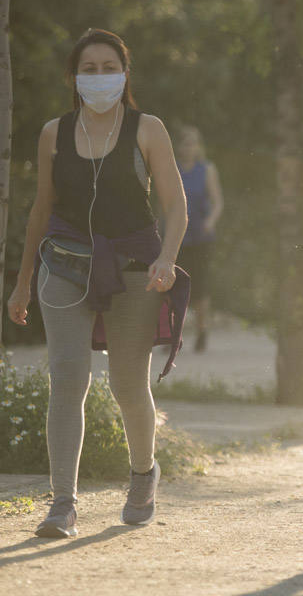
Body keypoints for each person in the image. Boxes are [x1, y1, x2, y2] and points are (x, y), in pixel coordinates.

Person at [6, 29, 189, 538]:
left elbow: (175, 207)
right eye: (89, 68)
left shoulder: (147, 129)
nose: (99, 75)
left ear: (125, 73)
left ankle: (142, 475)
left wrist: (167, 260)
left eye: (109, 65)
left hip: (136, 269)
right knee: (67, 380)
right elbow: (41, 210)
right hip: (63, 266)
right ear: (74, 77)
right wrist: (22, 283)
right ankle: (62, 503)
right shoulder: (54, 133)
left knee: (129, 386)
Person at [175, 126, 223, 352]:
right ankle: (175, 334)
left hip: (201, 235)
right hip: (178, 235)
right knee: (176, 286)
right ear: (178, 146)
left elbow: (218, 202)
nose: (189, 148)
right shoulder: (172, 169)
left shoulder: (207, 169)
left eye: (194, 143)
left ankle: (203, 331)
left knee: (201, 287)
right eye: (186, 143)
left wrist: (210, 222)